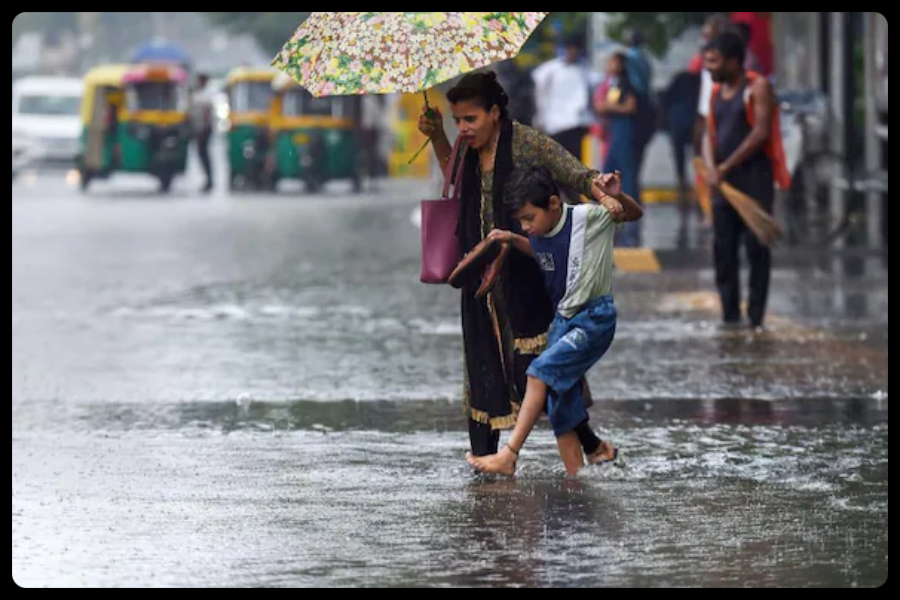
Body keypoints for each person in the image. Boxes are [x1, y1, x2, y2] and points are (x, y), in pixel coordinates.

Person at [417, 71, 617, 463]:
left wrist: (601, 188)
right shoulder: (465, 147)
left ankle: (590, 446)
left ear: (495, 112)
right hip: (479, 272)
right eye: (458, 120)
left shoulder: (526, 142)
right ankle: (485, 460)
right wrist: (438, 135)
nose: (464, 128)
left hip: (526, 273)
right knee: (482, 366)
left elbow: (572, 172)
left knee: (539, 368)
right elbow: (454, 180)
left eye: (470, 119)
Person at [466, 166, 642, 476]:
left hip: (593, 319)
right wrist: (510, 238)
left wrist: (617, 198)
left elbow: (633, 213)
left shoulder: (588, 218)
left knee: (539, 373)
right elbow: (541, 254)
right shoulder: (539, 232)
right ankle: (577, 477)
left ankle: (509, 455)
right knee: (560, 403)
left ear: (553, 204)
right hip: (563, 321)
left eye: (529, 218)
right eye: (521, 221)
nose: (526, 227)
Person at [702, 31, 790, 331]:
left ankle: (755, 319)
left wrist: (725, 165)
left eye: (713, 61)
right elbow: (709, 133)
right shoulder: (716, 93)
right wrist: (713, 167)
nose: (708, 68)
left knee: (756, 249)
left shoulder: (757, 86)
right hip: (724, 185)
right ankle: (730, 318)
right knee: (723, 251)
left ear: (733, 61)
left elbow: (760, 132)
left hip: (754, 181)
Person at [531, 35, 593, 201]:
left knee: (571, 167)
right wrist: (540, 120)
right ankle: (566, 199)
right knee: (555, 167)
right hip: (554, 126)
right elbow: (540, 96)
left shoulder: (583, 70)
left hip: (574, 125)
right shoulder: (549, 70)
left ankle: (572, 200)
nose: (572, 52)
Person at [594, 52, 640, 247]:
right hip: (612, 135)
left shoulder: (626, 85)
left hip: (624, 134)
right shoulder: (608, 84)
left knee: (626, 174)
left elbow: (629, 107)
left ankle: (629, 211)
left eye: (615, 63)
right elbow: (599, 106)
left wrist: (611, 107)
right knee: (608, 172)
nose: (611, 66)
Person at [191, 73, 214, 193]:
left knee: (204, 156)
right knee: (201, 155)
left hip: (204, 130)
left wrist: (204, 130)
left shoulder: (207, 94)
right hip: (197, 129)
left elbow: (207, 114)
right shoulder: (196, 93)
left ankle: (209, 180)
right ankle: (207, 179)